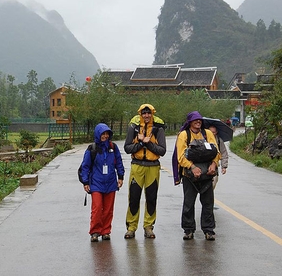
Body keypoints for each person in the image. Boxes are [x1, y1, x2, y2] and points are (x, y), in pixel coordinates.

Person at [175, 111, 220, 241]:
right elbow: (181, 156)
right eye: (195, 120)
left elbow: (216, 152)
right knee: (189, 203)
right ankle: (188, 230)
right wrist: (192, 167)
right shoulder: (184, 135)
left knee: (208, 203)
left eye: (199, 120)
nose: (198, 122)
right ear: (190, 122)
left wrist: (214, 165)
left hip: (207, 174)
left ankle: (209, 230)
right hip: (189, 176)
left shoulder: (208, 134)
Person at [123, 104, 166, 239]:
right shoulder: (134, 127)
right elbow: (127, 148)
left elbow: (162, 150)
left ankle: (148, 226)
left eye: (149, 113)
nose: (146, 116)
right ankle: (131, 227)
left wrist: (148, 143)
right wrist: (141, 143)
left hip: (153, 166)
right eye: (144, 113)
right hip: (137, 165)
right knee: (134, 197)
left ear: (152, 114)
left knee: (151, 198)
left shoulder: (158, 128)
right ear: (140, 114)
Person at [80, 123, 125, 242]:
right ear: (98, 134)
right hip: (96, 183)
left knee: (108, 209)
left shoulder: (113, 148)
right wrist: (85, 182)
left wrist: (120, 177)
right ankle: (95, 231)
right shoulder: (92, 149)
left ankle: (106, 231)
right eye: (102, 134)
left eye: (107, 134)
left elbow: (119, 162)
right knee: (97, 208)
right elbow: (85, 166)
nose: (105, 136)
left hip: (110, 182)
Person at [208, 125, 228, 190]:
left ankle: (209, 197)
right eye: (210, 132)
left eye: (213, 132)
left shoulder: (219, 141)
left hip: (215, 166)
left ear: (216, 132)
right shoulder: (203, 139)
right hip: (204, 165)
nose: (212, 134)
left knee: (213, 184)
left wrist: (224, 166)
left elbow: (224, 153)